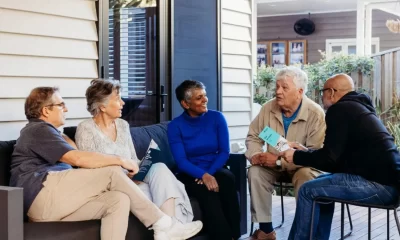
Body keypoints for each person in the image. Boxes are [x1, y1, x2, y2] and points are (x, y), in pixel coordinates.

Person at [10, 86, 202, 240]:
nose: (66, 108)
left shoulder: (50, 134)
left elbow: (74, 153)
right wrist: (121, 160)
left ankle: (166, 227)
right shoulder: (38, 130)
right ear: (45, 110)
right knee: (112, 171)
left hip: (49, 207)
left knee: (118, 200)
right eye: (61, 105)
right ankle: (163, 224)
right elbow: (78, 158)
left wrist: (65, 139)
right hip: (42, 195)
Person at [282, 74, 400, 240]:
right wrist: (305, 152)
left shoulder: (340, 109)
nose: (321, 96)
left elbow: (329, 161)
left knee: (308, 190)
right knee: (319, 187)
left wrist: (296, 156)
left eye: (322, 92)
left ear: (331, 92)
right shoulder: (358, 108)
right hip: (389, 184)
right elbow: (337, 158)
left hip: (381, 186)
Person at [75, 79, 194, 224]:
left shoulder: (123, 125)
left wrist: (143, 165)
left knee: (160, 167)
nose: (123, 103)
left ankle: (170, 227)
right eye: (118, 99)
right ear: (102, 106)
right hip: (112, 187)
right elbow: (89, 167)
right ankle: (173, 226)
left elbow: (133, 159)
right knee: (162, 193)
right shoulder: (86, 128)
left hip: (134, 180)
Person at [245, 66, 326, 240]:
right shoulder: (268, 108)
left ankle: (304, 230)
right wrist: (256, 155)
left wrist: (278, 161)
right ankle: (266, 230)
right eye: (277, 87)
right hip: (271, 166)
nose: (278, 92)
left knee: (306, 175)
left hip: (302, 167)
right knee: (255, 172)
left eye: (284, 88)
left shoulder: (315, 114)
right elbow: (254, 136)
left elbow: (315, 155)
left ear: (299, 91)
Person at [167, 80, 241, 240]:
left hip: (213, 167)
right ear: (185, 104)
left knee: (227, 179)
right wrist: (202, 176)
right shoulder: (175, 126)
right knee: (208, 193)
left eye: (204, 95)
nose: (205, 99)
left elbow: (224, 152)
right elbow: (181, 161)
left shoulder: (217, 118)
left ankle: (236, 235)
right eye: (199, 97)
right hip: (188, 173)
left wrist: (208, 174)